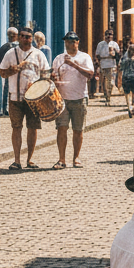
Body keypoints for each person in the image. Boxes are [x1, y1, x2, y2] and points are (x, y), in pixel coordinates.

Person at [0, 26, 49, 170]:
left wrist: (38, 84)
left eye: (27, 37)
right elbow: (2, 72)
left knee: (32, 128)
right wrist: (11, 70)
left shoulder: (38, 54)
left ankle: (30, 159)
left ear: (32, 38)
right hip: (15, 96)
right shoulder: (10, 53)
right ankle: (17, 160)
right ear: (19, 37)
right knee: (16, 127)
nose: (25, 39)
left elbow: (46, 74)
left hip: (33, 99)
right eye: (22, 36)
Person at [51, 30, 94, 170]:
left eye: (73, 40)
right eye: (68, 41)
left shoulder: (84, 57)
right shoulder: (58, 58)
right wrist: (54, 78)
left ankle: (76, 158)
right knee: (61, 129)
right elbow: (54, 75)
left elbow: (90, 74)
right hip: (62, 99)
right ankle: (61, 159)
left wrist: (74, 65)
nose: (70, 43)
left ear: (77, 42)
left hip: (79, 98)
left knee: (78, 130)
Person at [0, 27, 19, 114]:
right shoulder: (20, 47)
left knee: (7, 90)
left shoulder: (3, 47)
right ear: (16, 36)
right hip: (18, 72)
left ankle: (6, 109)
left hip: (8, 72)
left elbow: (0, 62)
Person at [94, 30, 120, 105]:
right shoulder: (101, 44)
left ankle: (108, 97)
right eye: (107, 35)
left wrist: (114, 53)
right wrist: (98, 64)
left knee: (110, 82)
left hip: (111, 64)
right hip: (103, 63)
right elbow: (97, 54)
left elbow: (118, 55)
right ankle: (106, 96)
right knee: (103, 82)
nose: (109, 36)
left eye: (110, 35)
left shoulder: (114, 44)